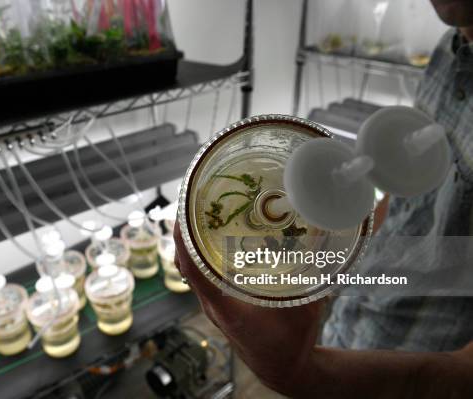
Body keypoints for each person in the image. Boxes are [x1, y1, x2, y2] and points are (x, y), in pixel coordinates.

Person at [173, 0, 473, 397]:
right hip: (347, 326)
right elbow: (409, 204)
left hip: (406, 367)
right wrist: (333, 264)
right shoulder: (451, 45)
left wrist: (303, 375)